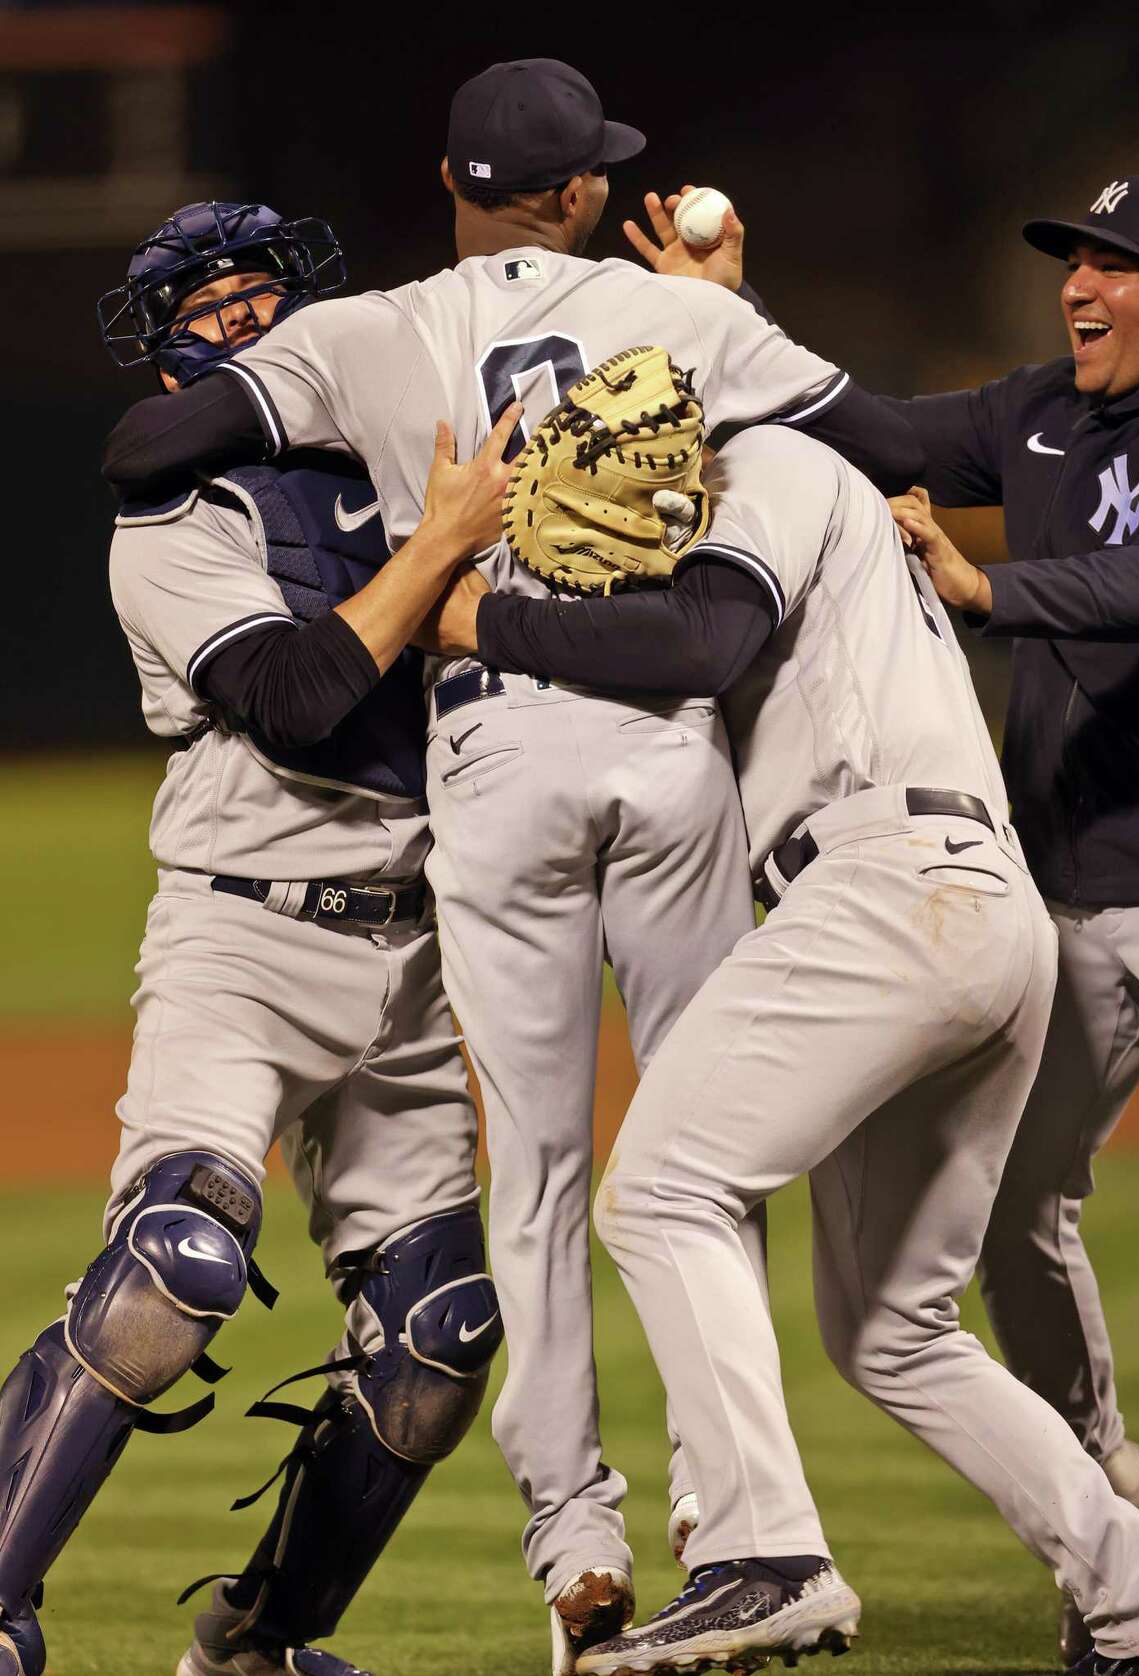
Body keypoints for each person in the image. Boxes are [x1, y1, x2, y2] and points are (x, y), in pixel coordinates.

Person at [95, 59, 925, 1676]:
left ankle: (574, 1547)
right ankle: (733, 1518)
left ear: (456, 190)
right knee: (698, 1157)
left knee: (538, 1181)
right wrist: (709, 310)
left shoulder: (373, 331)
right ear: (566, 198)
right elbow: (899, 435)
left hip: (490, 765)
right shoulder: (667, 308)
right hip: (665, 750)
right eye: (596, 175)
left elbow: (146, 446)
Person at [419, 422, 1139, 1676]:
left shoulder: (775, 463)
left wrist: (476, 625)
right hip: (969, 900)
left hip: (891, 883)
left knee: (661, 1192)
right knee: (892, 1326)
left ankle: (760, 1551)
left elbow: (698, 640)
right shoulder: (774, 511)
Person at [0, 200, 515, 1676]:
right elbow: (297, 695)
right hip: (246, 933)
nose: (240, 323)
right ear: (170, 368)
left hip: (416, 958)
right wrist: (448, 549)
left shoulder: (407, 448)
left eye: (257, 297)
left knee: (440, 1341)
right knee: (176, 1268)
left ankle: (260, 1644)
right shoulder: (173, 524)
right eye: (205, 311)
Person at [886, 173, 1139, 1667]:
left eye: (1121, 264)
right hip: (1067, 898)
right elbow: (872, 428)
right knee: (1008, 1212)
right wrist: (713, 314)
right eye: (1076, 257)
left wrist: (989, 583)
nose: (1083, 283)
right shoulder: (1035, 416)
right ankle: (1104, 1512)